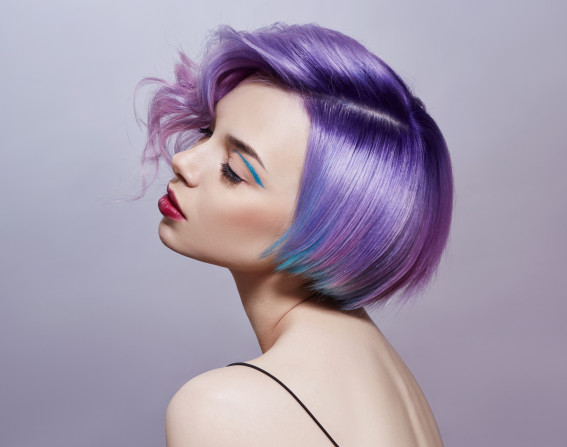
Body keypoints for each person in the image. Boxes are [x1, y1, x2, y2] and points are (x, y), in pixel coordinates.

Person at [135, 22, 453, 447]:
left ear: (331, 228)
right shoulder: (393, 385)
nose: (184, 161)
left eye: (234, 170)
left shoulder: (222, 410)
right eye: (209, 132)